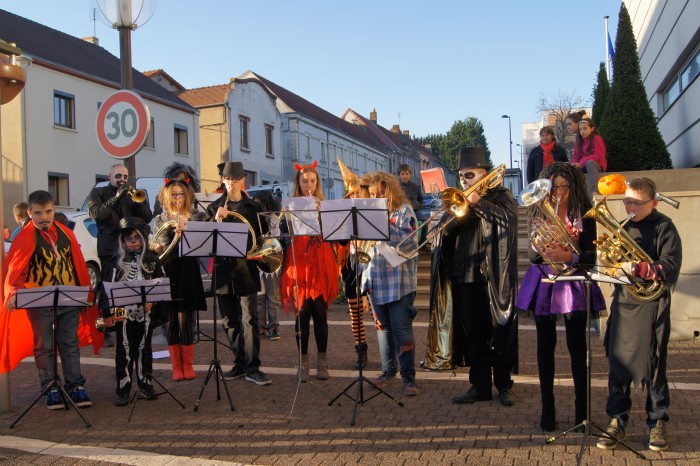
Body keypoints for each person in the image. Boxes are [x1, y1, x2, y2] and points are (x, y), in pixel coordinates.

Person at [516, 162, 606, 431]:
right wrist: (542, 249)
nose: (559, 192)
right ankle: (548, 409)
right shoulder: (538, 212)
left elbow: (590, 258)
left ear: (574, 187)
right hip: (545, 281)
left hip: (573, 281)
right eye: (554, 187)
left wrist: (568, 255)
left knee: (577, 348)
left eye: (564, 187)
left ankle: (582, 412)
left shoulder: (585, 216)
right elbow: (532, 256)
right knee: (545, 348)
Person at [596, 177, 682, 452]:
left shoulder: (665, 227)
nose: (630, 207)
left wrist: (637, 268)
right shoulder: (622, 227)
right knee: (618, 363)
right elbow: (611, 263)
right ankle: (616, 420)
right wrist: (611, 265)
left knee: (654, 364)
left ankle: (657, 422)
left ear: (653, 203)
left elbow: (670, 264)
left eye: (637, 203)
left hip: (652, 304)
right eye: (627, 201)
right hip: (625, 302)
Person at [428, 147, 518, 406]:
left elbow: (507, 221)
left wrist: (479, 202)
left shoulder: (501, 196)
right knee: (473, 334)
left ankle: (504, 384)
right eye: (462, 176)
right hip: (465, 274)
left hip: (494, 275)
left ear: (484, 174)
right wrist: (459, 211)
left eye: (469, 175)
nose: (464, 180)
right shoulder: (457, 200)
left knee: (500, 331)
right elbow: (443, 233)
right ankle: (479, 385)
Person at [3, 190, 101, 409]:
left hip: (68, 298)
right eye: (38, 213)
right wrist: (14, 293)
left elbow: (77, 264)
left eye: (48, 212)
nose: (44, 217)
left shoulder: (66, 233)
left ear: (54, 210)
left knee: (69, 343)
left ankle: (75, 385)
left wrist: (84, 293)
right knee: (44, 346)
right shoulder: (24, 238)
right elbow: (15, 270)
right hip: (39, 301)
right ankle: (49, 387)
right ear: (29, 213)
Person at [205, 161, 271, 386]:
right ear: (222, 180)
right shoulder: (214, 208)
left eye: (235, 179)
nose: (231, 183)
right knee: (229, 321)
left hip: (246, 270)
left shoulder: (253, 207)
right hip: (223, 271)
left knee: (249, 320)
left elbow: (262, 238)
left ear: (243, 180)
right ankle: (240, 362)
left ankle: (253, 367)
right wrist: (216, 220)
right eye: (227, 179)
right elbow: (205, 239)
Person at [360, 171, 420, 396]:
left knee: (401, 328)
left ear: (389, 190)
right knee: (382, 329)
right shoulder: (366, 214)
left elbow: (410, 243)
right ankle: (388, 371)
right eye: (372, 194)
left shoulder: (404, 211)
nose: (375, 198)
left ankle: (409, 376)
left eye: (379, 194)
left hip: (399, 282)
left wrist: (383, 225)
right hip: (375, 278)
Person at [280, 160, 338, 381]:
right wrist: (285, 215)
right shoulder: (291, 204)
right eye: (304, 181)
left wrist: (321, 213)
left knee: (320, 312)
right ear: (298, 183)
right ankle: (302, 362)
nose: (308, 185)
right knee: (302, 313)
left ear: (317, 183)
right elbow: (282, 231)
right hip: (299, 261)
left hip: (320, 260)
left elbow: (333, 232)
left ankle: (322, 361)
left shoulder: (324, 204)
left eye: (312, 181)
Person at [99, 217, 164, 406]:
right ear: (123, 241)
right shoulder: (115, 262)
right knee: (124, 349)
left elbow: (161, 281)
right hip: (123, 313)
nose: (133, 242)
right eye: (129, 238)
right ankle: (123, 387)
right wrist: (107, 313)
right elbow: (106, 288)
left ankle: (146, 384)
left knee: (145, 348)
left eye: (137, 238)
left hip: (146, 312)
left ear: (143, 238)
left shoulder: (152, 259)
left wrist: (153, 299)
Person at [88, 163, 153, 348]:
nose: (122, 180)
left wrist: (137, 201)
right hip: (109, 247)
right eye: (118, 176)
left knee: (128, 284)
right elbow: (97, 215)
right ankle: (105, 327)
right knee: (108, 285)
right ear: (110, 177)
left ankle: (127, 321)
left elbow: (147, 217)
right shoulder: (98, 193)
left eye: (125, 177)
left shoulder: (132, 195)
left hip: (129, 246)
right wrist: (116, 197)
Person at [152, 179, 207, 381]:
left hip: (189, 272)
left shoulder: (196, 216)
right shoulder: (160, 219)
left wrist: (187, 231)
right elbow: (158, 249)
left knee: (186, 320)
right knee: (171, 321)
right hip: (169, 271)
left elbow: (203, 244)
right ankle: (176, 366)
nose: (177, 198)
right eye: (174, 194)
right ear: (167, 196)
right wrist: (166, 239)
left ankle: (188, 365)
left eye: (181, 194)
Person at [337, 163, 372, 369]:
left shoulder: (373, 210)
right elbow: (340, 242)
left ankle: (388, 352)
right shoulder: (344, 213)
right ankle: (360, 347)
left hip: (371, 265)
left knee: (377, 313)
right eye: (351, 194)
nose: (355, 197)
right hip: (350, 266)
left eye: (358, 192)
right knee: (355, 312)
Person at [251, 190, 282, 341]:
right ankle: (261, 326)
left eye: (260, 204)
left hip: (271, 262)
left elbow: (275, 238)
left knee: (272, 297)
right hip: (257, 261)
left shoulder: (273, 218)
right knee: (259, 296)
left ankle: (274, 326)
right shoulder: (253, 219)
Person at [572, 117, 607, 195]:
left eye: (585, 128)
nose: (582, 131)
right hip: (582, 165)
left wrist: (582, 162)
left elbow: (598, 156)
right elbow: (576, 156)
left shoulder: (597, 139)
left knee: (590, 163)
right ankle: (576, 194)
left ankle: (595, 191)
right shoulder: (578, 141)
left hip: (597, 165)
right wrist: (574, 163)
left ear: (592, 128)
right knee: (572, 169)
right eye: (580, 129)